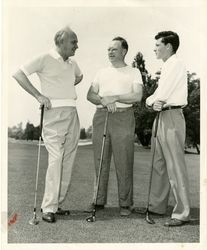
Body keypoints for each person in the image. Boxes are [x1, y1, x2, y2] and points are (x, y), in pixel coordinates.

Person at [12, 26, 83, 223]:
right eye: (73, 42)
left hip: (72, 113)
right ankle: (48, 207)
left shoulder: (72, 63)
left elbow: (79, 76)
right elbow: (18, 74)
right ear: (61, 42)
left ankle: (57, 203)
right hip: (54, 114)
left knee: (68, 159)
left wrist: (65, 86)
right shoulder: (44, 58)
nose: (77, 45)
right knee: (56, 158)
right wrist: (39, 95)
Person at [87, 37, 143, 216]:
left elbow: (136, 96)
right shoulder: (101, 72)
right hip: (101, 116)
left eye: (114, 49)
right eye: (108, 49)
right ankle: (98, 200)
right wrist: (104, 100)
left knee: (124, 160)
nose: (110, 52)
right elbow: (90, 94)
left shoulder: (133, 72)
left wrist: (115, 98)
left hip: (123, 117)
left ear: (124, 51)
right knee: (100, 160)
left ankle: (125, 204)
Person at [145, 31, 191, 226]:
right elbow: (154, 96)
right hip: (162, 116)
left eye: (158, 45)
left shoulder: (175, 64)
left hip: (171, 115)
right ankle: (156, 206)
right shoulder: (167, 66)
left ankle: (182, 213)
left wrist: (154, 101)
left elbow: (162, 94)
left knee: (174, 166)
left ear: (169, 46)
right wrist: (151, 101)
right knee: (159, 163)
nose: (155, 48)